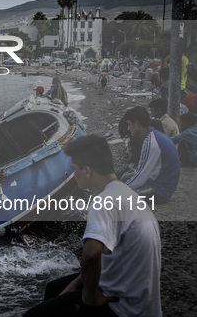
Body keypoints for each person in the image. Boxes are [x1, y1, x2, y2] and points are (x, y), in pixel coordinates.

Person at [24, 135, 162, 317]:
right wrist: (78, 281)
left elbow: (91, 255)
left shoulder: (104, 202)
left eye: (74, 169)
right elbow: (110, 255)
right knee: (55, 288)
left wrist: (90, 298)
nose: (74, 175)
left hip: (124, 308)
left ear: (87, 170)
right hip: (144, 301)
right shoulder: (125, 193)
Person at [120, 106, 180, 203]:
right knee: (123, 179)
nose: (128, 128)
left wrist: (120, 188)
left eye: (129, 124)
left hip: (160, 191)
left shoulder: (151, 142)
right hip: (163, 185)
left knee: (119, 195)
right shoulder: (155, 136)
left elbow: (141, 178)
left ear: (137, 123)